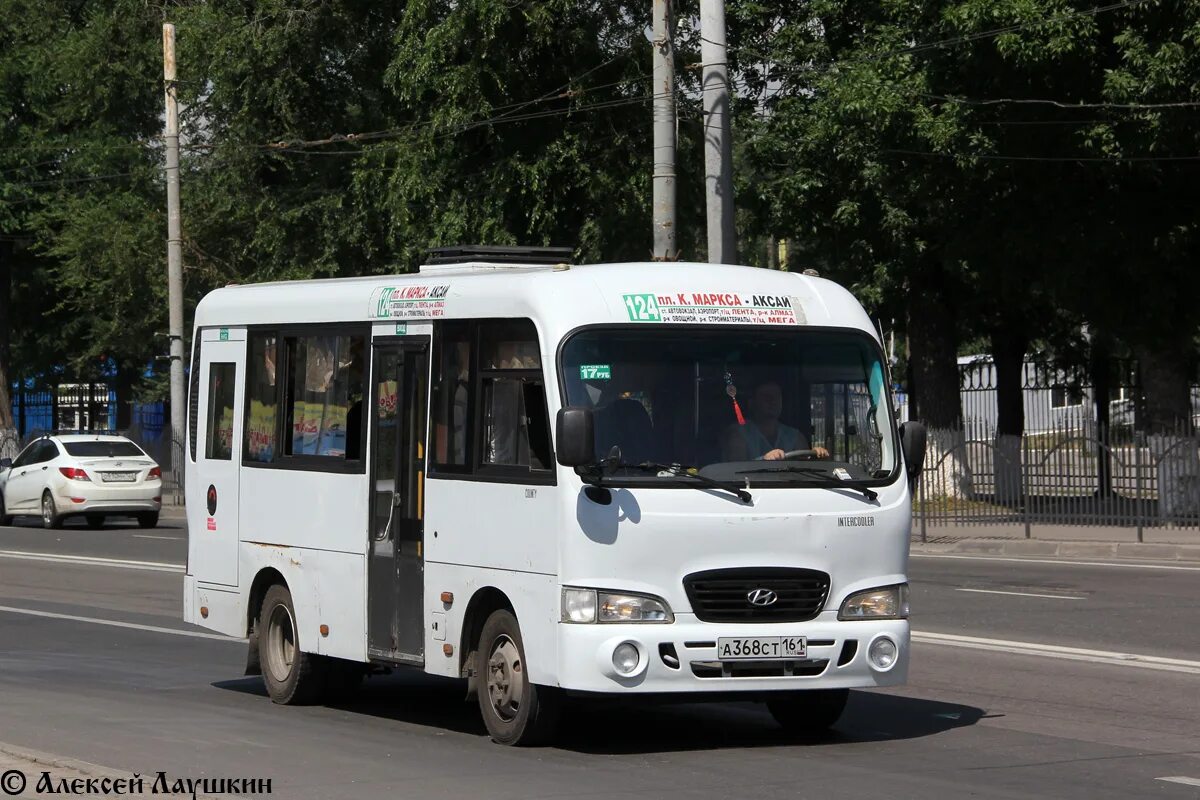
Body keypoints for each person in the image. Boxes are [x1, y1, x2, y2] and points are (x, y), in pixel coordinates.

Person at [722, 381, 830, 461]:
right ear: (752, 402)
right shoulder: (738, 434)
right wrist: (763, 461)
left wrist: (817, 456)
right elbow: (734, 470)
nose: (772, 401)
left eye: (777, 396)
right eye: (766, 396)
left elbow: (807, 468)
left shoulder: (795, 436)